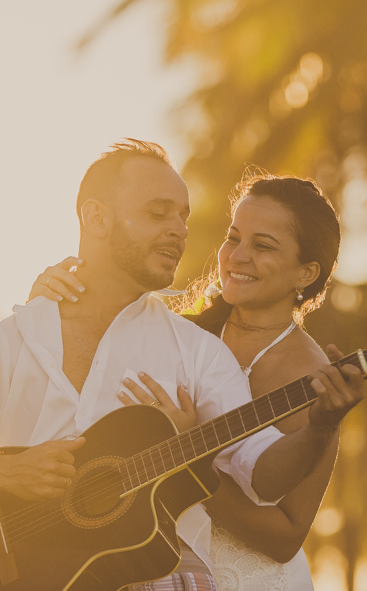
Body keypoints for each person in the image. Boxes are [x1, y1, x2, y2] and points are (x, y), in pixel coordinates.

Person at [0, 140, 364, 591]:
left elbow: (260, 473)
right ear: (95, 217)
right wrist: (5, 475)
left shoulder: (199, 352)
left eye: (184, 217)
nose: (179, 230)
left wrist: (319, 429)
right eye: (159, 213)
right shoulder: (9, 342)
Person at [28, 172, 344, 590]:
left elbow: (285, 537)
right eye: (234, 238)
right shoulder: (180, 336)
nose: (238, 256)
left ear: (306, 273)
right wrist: (46, 304)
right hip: (153, 568)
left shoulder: (311, 375)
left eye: (263, 245)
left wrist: (184, 459)